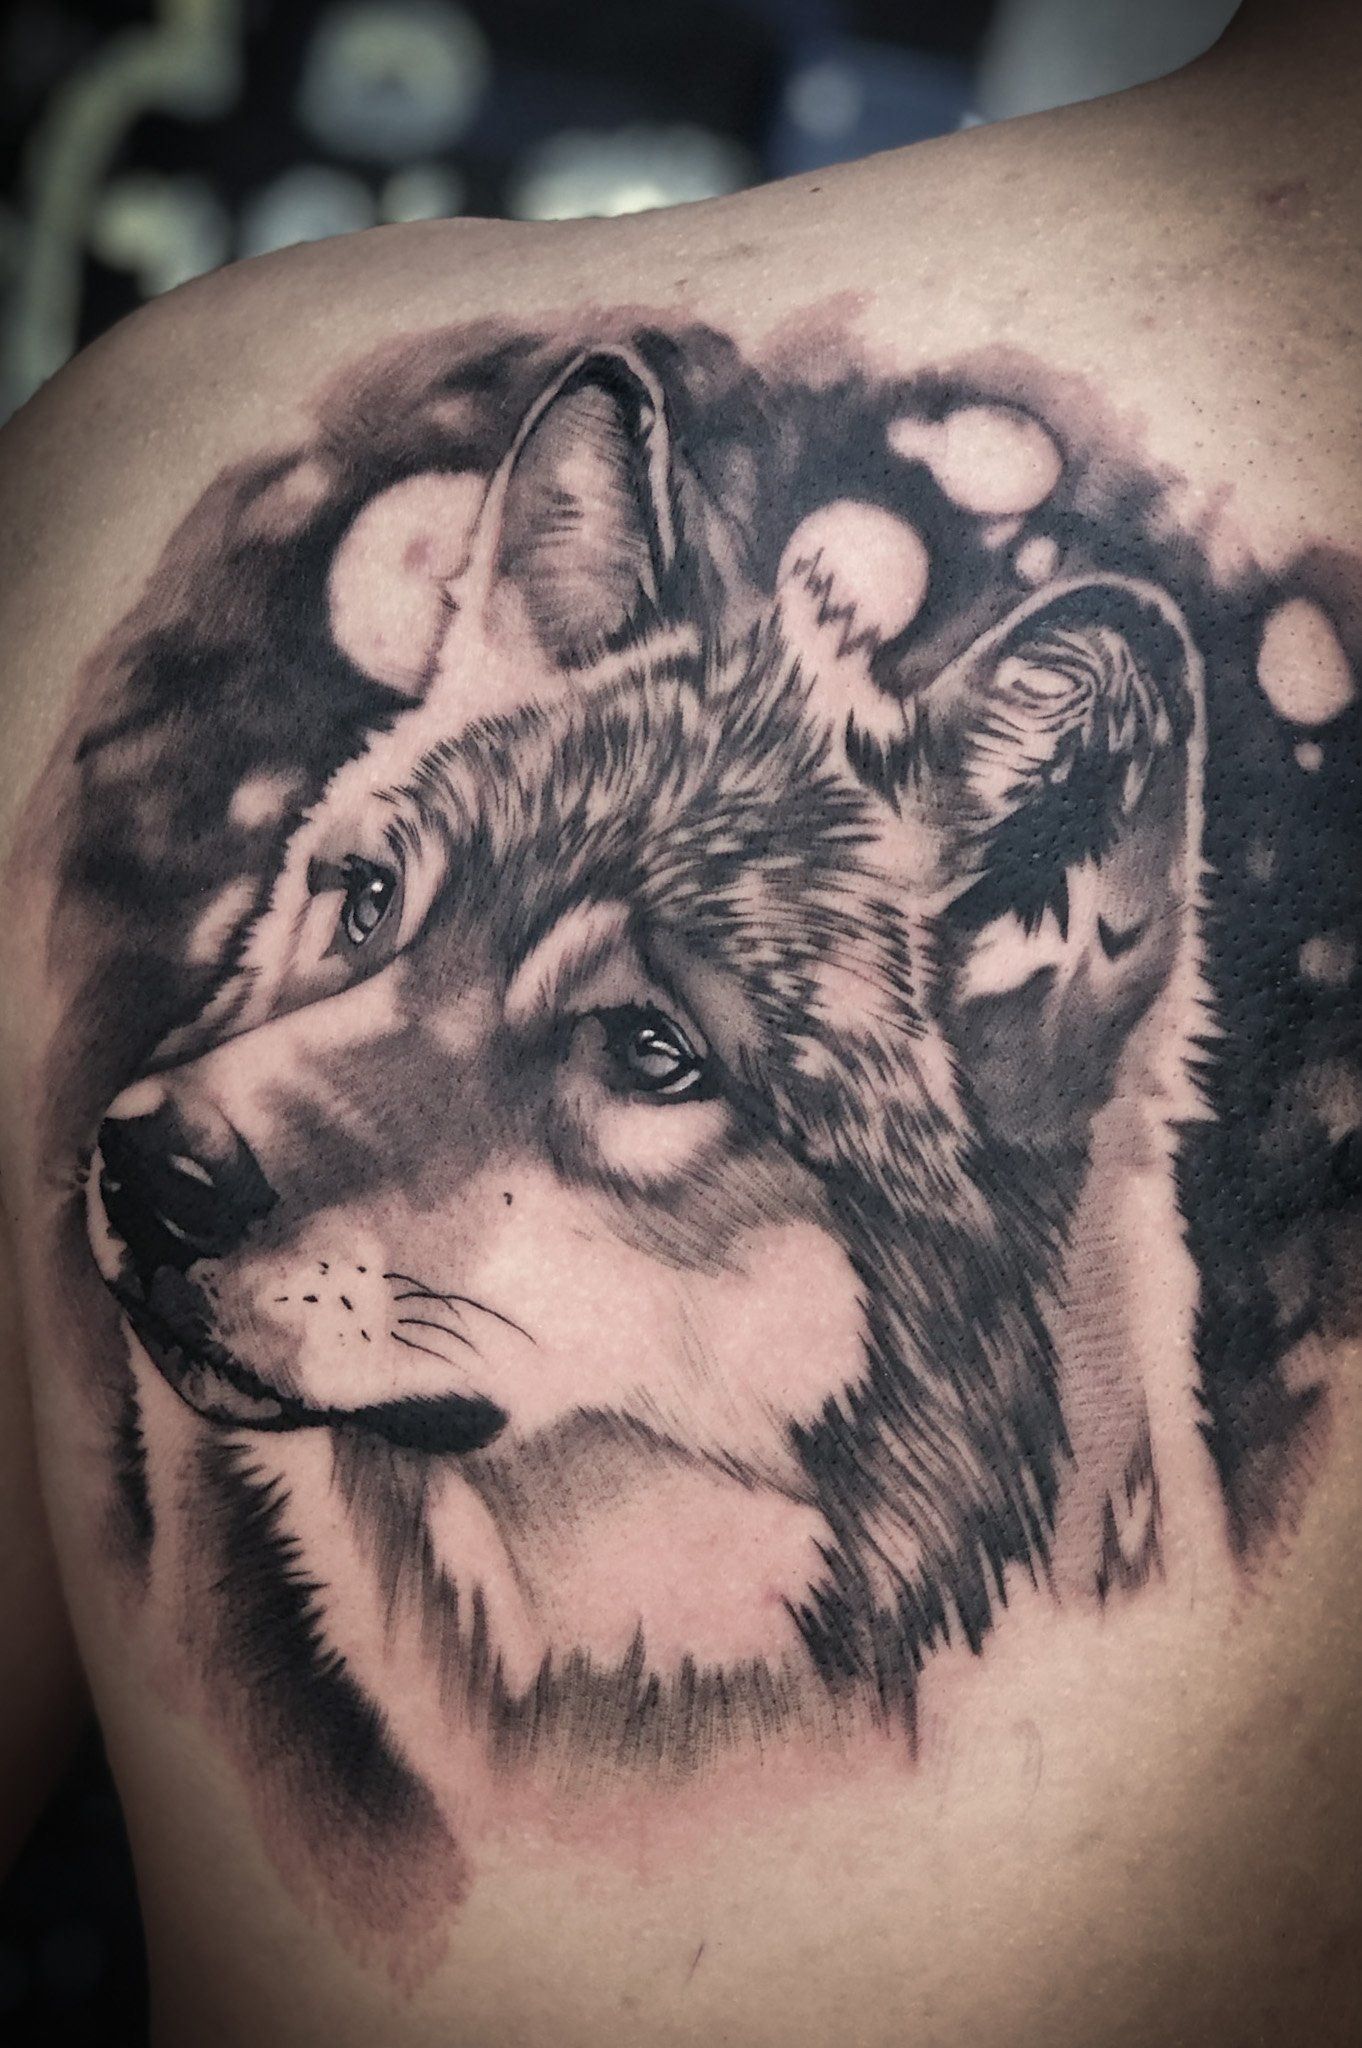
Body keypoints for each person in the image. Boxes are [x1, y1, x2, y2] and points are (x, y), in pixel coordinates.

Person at [1, 4, 1359, 2041]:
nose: (231, 1104)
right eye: (369, 910)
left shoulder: (143, 440)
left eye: (645, 1049)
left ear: (1038, 943)